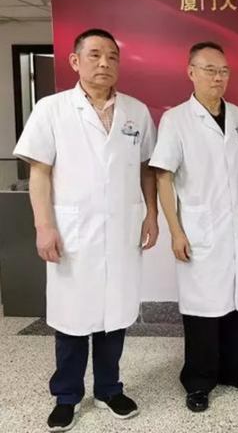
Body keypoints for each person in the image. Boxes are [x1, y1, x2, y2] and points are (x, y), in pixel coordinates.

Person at [13, 28, 158, 431]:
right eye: (94, 55)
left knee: (116, 314)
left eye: (112, 56)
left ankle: (109, 389)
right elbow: (39, 172)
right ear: (75, 61)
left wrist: (151, 214)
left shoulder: (136, 111)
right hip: (72, 231)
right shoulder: (52, 109)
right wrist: (44, 225)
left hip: (123, 228)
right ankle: (67, 395)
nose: (104, 63)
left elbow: (147, 169)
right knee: (72, 318)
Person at [150, 42, 238, 413]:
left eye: (224, 71)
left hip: (237, 224)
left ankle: (235, 370)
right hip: (200, 227)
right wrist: (175, 231)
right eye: (210, 69)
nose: (218, 77)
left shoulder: (237, 115)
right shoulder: (176, 119)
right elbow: (163, 177)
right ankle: (198, 382)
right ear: (191, 72)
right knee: (202, 311)